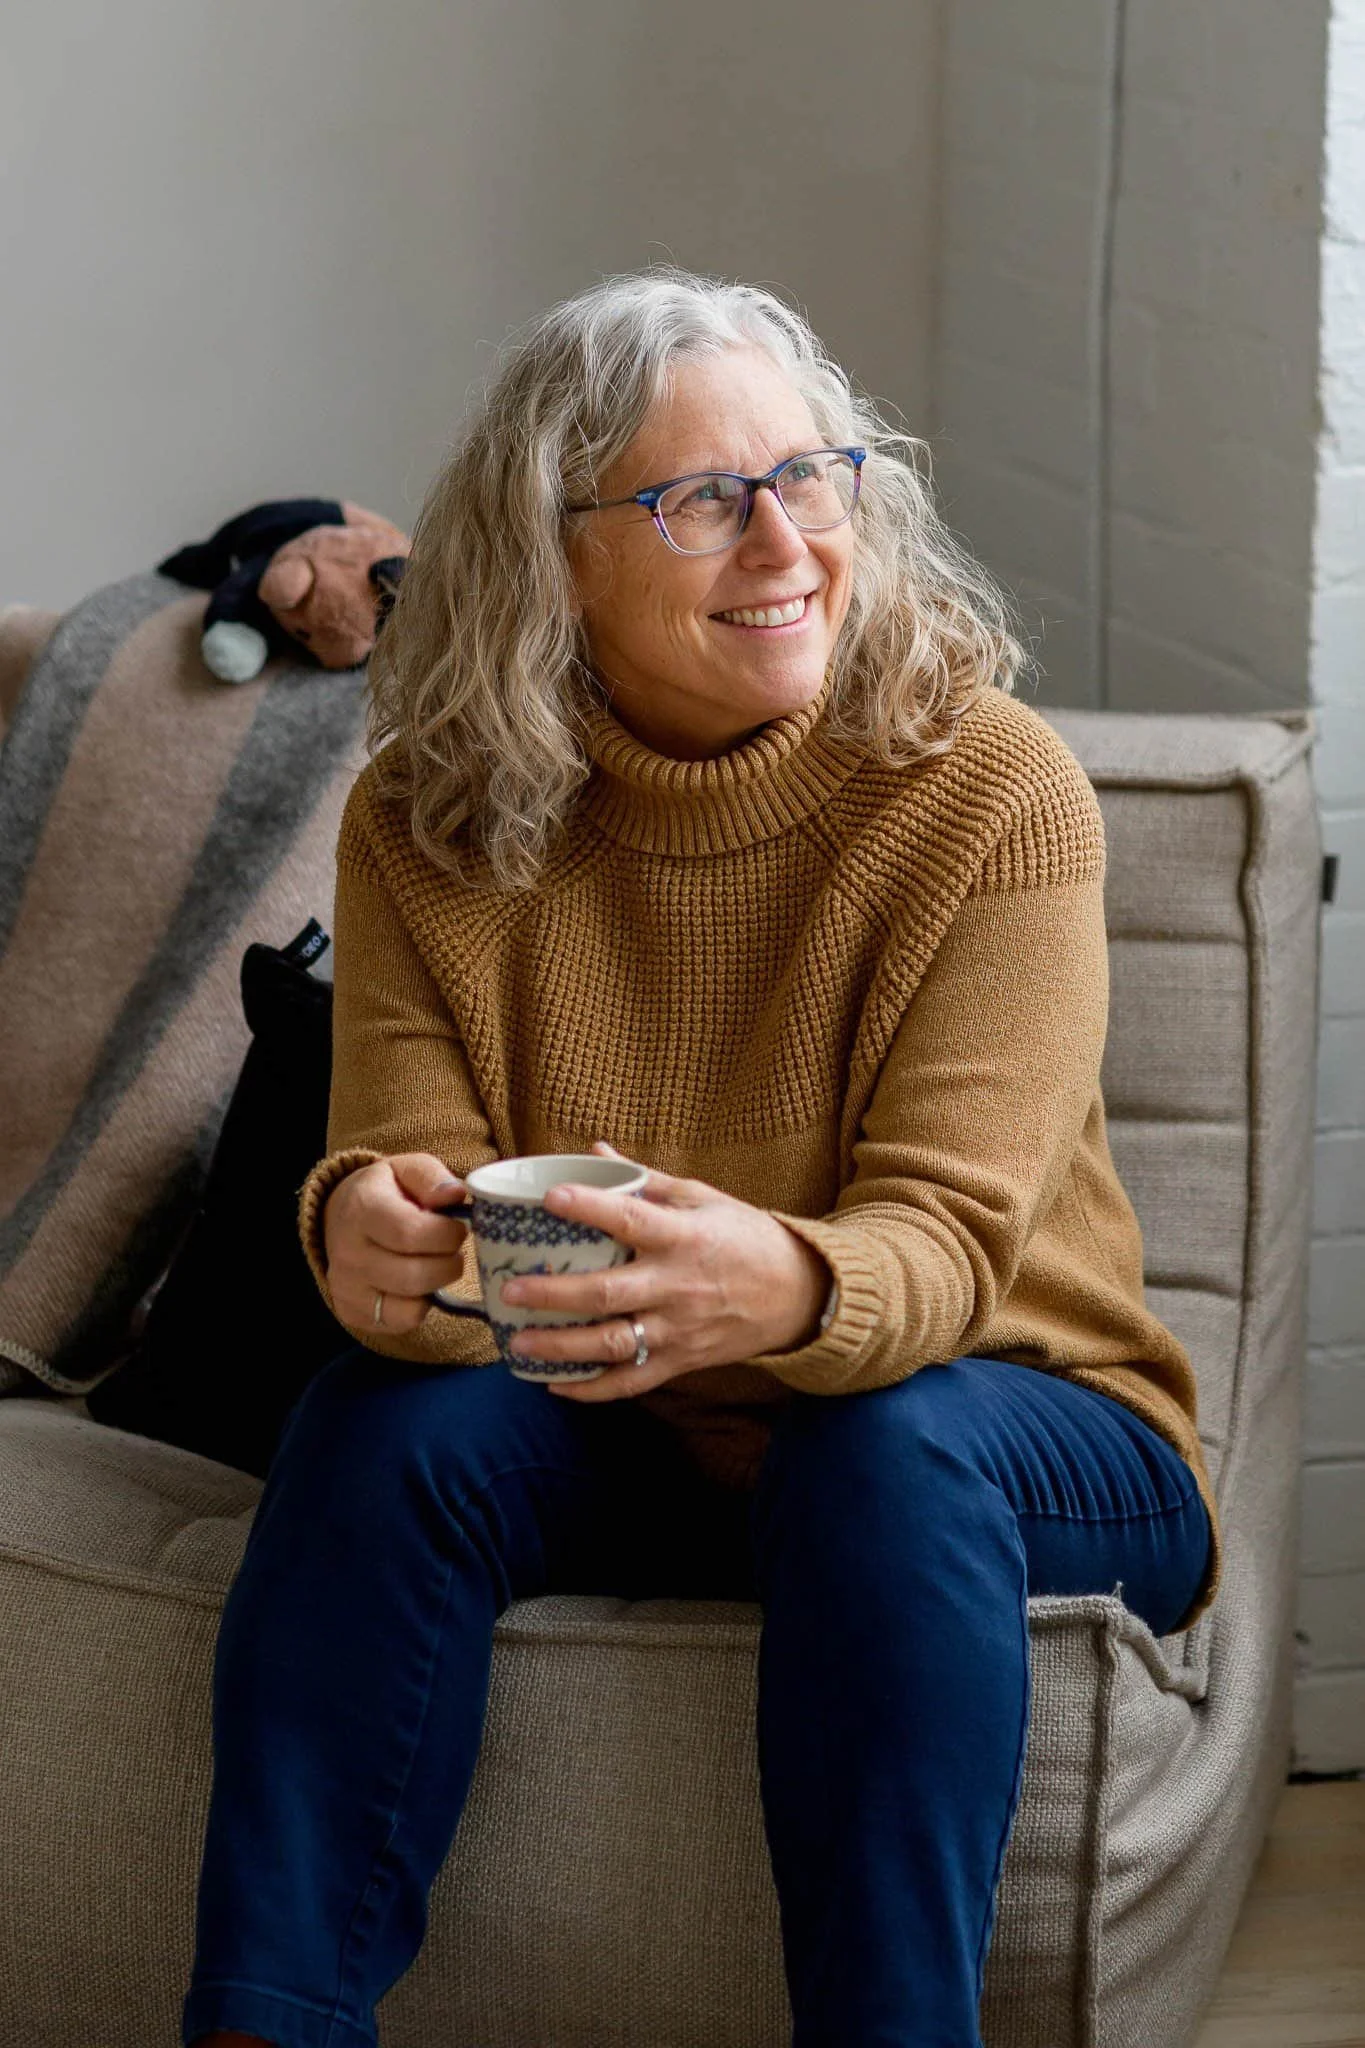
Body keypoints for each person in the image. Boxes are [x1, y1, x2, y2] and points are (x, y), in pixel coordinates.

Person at [183, 267, 1219, 2048]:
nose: (786, 540)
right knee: (375, 1425)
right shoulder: (429, 809)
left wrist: (790, 1281)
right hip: (626, 1410)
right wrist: (372, 1231)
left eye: (813, 475)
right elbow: (422, 1190)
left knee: (875, 1445)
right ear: (553, 555)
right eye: (701, 499)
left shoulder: (992, 789)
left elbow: (953, 1248)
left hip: (1017, 1413)